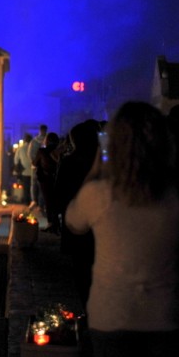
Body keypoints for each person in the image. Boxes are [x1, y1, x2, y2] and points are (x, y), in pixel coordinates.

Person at [66, 102, 179, 357]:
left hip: (112, 314)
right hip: (164, 313)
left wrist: (96, 171)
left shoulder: (100, 194)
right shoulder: (176, 193)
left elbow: (73, 223)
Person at [53, 119, 99, 309]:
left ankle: (87, 305)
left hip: (76, 220)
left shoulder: (69, 162)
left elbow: (59, 191)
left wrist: (57, 215)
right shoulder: (103, 163)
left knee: (80, 267)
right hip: (98, 222)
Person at [34, 131, 61, 233]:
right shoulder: (59, 151)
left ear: (47, 140)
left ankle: (51, 223)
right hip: (58, 179)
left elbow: (35, 162)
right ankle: (57, 223)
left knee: (48, 201)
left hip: (45, 180)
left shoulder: (42, 151)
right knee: (56, 201)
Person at [28, 124, 48, 207]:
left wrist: (34, 162)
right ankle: (37, 202)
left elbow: (29, 153)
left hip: (39, 166)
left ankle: (37, 201)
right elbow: (30, 154)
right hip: (40, 166)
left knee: (37, 184)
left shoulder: (35, 141)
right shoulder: (38, 141)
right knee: (38, 184)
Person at [13, 133, 33, 204]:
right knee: (32, 188)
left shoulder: (20, 148)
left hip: (24, 171)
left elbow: (16, 160)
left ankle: (26, 202)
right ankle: (32, 201)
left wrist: (16, 170)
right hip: (33, 171)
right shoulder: (34, 148)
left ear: (25, 140)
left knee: (26, 188)